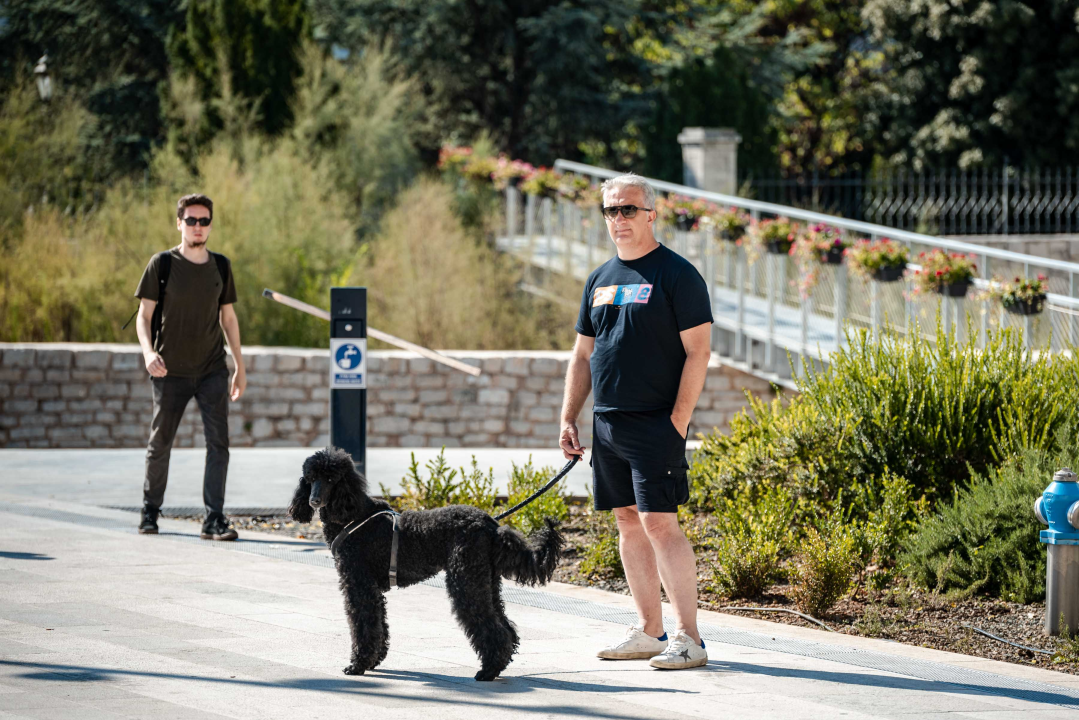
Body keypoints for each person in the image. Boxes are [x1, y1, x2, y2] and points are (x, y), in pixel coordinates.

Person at [559, 173, 713, 669]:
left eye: (628, 209)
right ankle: (650, 630)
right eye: (610, 211)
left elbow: (699, 352)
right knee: (627, 522)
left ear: (651, 214)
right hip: (607, 424)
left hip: (656, 424)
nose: (618, 219)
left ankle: (689, 639)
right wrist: (569, 416)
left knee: (659, 523)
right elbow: (582, 356)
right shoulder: (599, 280)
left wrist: (678, 422)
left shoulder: (677, 275)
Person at [133, 194, 246, 540]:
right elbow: (144, 316)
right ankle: (150, 511)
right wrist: (148, 353)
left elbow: (228, 317)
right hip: (169, 370)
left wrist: (239, 365)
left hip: (212, 369)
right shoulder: (162, 265)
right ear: (179, 223)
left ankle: (214, 518)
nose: (198, 226)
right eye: (192, 220)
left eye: (204, 220)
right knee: (161, 442)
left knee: (219, 444)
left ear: (210, 224)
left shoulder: (221, 266)